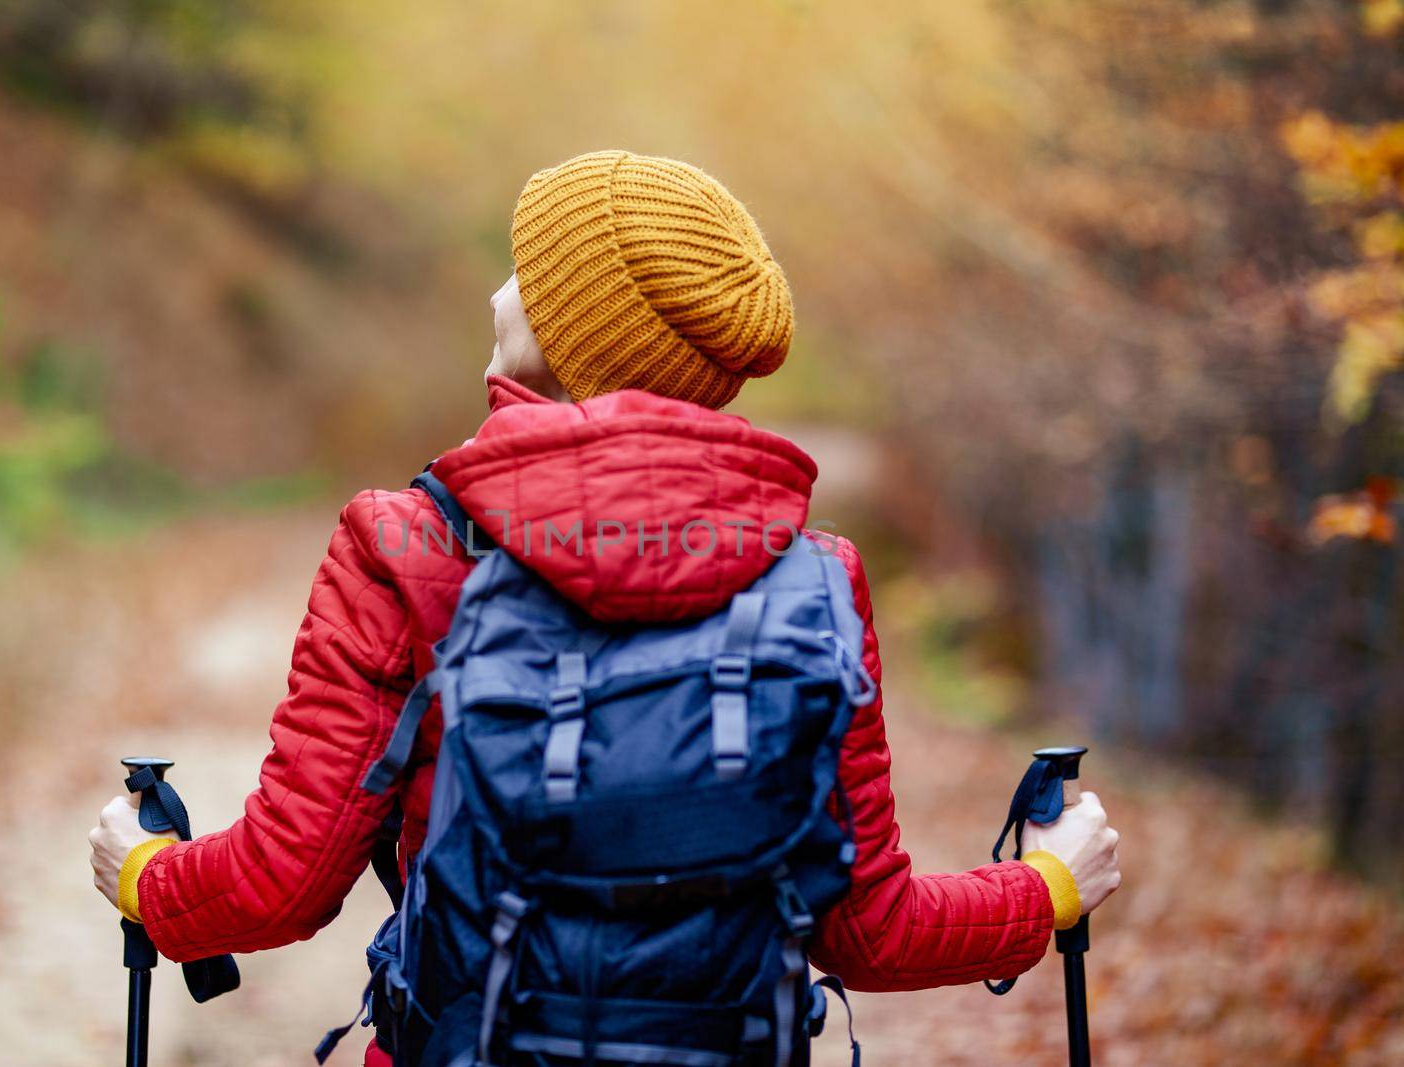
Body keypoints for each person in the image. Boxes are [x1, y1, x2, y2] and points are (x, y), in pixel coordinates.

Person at [90, 150, 1120, 1055]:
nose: (499, 294)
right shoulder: (813, 578)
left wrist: (146, 875)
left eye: (528, 276)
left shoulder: (404, 542)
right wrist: (1049, 887)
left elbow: (279, 881)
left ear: (576, 331)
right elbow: (864, 931)